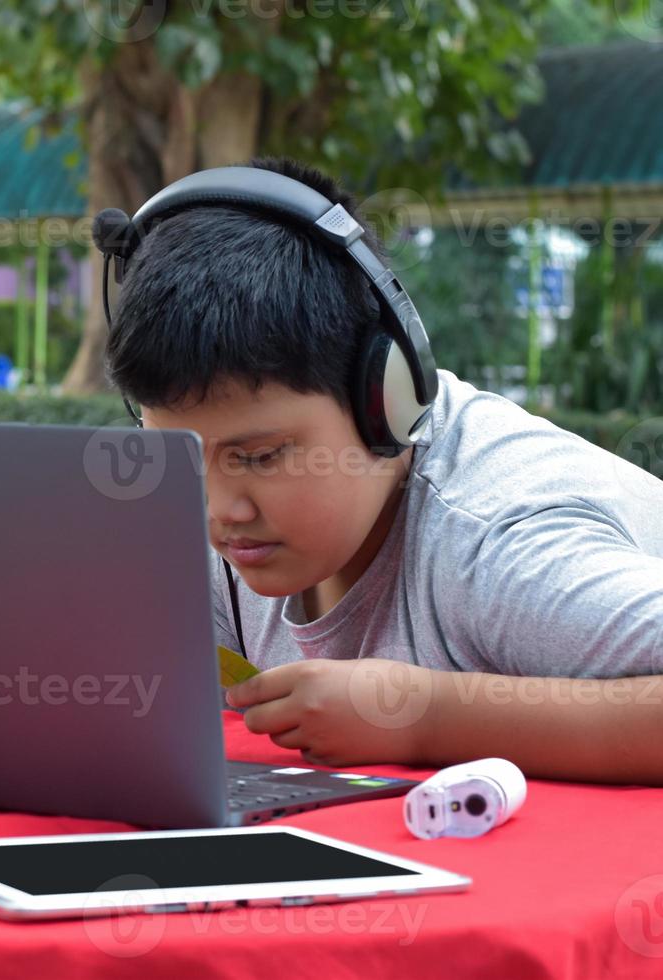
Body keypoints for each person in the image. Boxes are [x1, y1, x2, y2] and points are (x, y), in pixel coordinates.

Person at [105, 157, 663, 784]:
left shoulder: (494, 537)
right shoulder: (234, 536)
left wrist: (425, 717)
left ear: (387, 403)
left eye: (259, 457)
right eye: (177, 458)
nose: (219, 513)